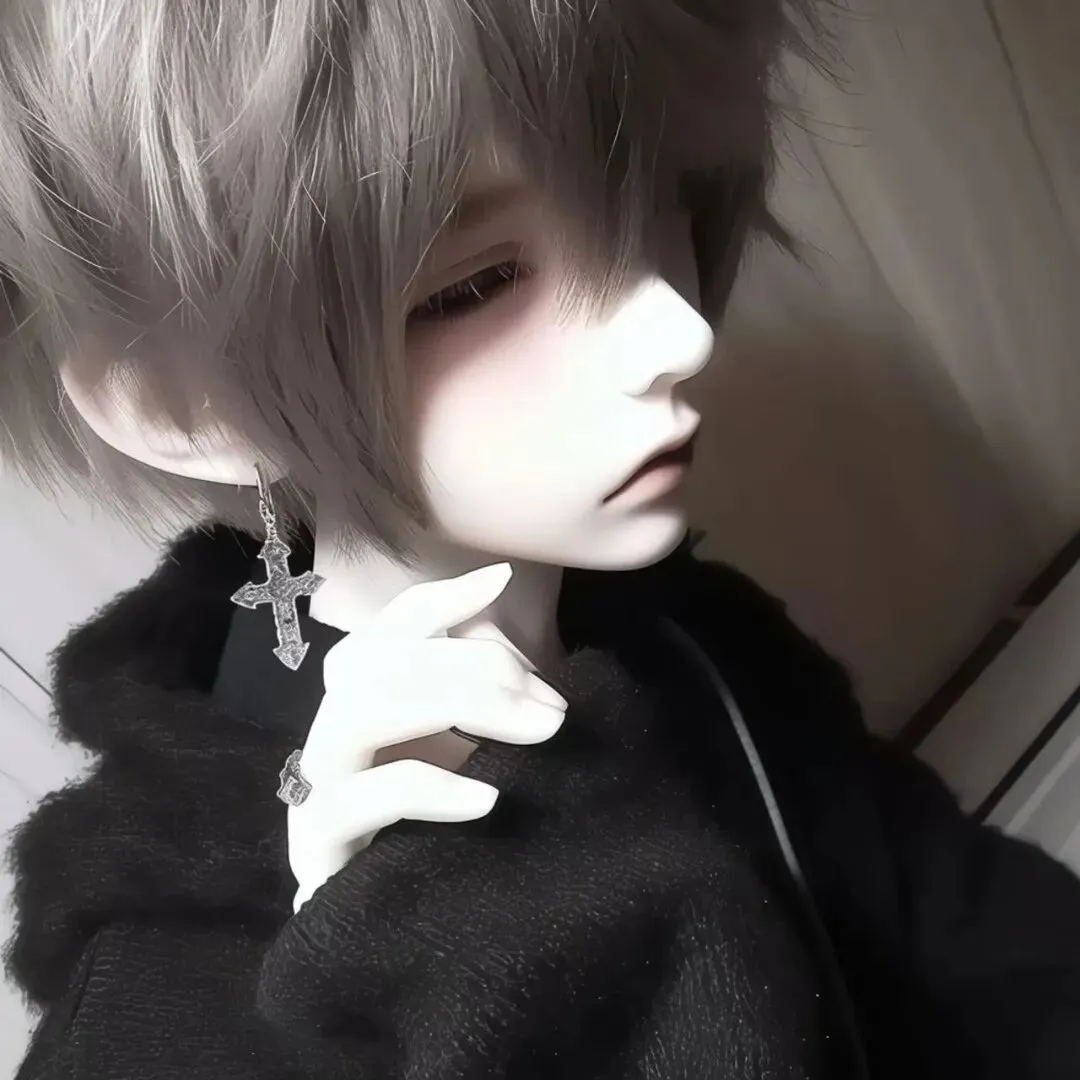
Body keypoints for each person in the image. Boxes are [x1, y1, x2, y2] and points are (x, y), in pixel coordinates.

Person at [3, 1, 1080, 1077]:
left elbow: (1004, 954)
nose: (676, 329)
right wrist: (453, 966)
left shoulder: (698, 641)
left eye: (657, 194)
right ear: (185, 405)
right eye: (477, 283)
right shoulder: (146, 1025)